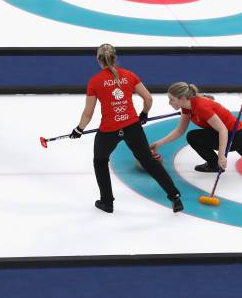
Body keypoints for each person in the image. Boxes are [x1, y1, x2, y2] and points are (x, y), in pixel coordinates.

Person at [70, 43, 183, 213]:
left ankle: (107, 202)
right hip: (132, 126)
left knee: (100, 161)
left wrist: (79, 129)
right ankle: (174, 197)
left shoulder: (95, 81)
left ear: (98, 60)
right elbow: (148, 99)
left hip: (109, 130)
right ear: (115, 58)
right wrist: (143, 114)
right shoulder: (129, 75)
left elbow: (88, 113)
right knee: (149, 161)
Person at [150, 82, 242, 173]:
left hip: (235, 136)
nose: (169, 103)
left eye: (172, 99)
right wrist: (159, 143)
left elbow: (223, 130)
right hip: (236, 133)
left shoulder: (201, 107)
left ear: (182, 98)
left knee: (193, 136)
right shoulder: (187, 106)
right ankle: (214, 163)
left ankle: (214, 164)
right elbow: (180, 130)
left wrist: (221, 157)